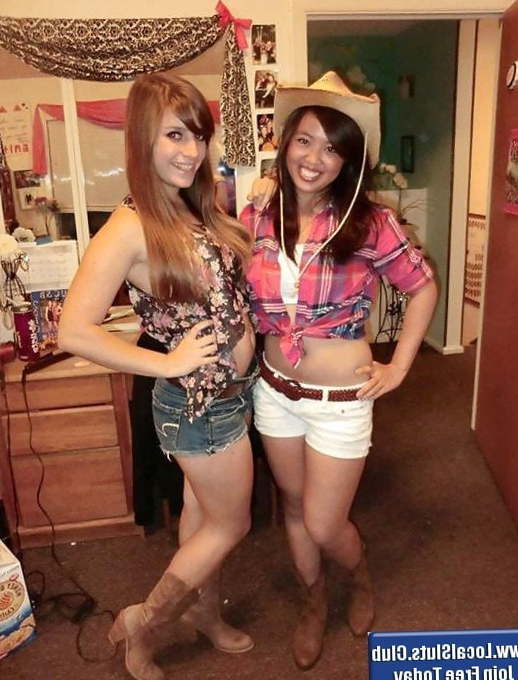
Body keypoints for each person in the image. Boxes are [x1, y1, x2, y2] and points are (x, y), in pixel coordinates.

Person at [58, 72, 257, 680]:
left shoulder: (188, 205)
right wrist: (166, 361)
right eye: (175, 135)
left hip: (228, 394)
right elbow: (74, 330)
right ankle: (140, 623)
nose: (192, 150)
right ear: (143, 137)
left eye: (198, 135)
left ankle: (203, 615)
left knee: (201, 522)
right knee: (231, 524)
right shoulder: (130, 225)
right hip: (200, 406)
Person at [241, 71, 437, 670]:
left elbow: (422, 286)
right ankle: (314, 601)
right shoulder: (257, 214)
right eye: (304, 140)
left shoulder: (369, 222)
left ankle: (360, 578)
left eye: (332, 148)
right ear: (286, 143)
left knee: (325, 524)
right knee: (294, 508)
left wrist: (400, 366)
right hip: (275, 392)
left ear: (348, 160)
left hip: (341, 401)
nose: (314, 158)